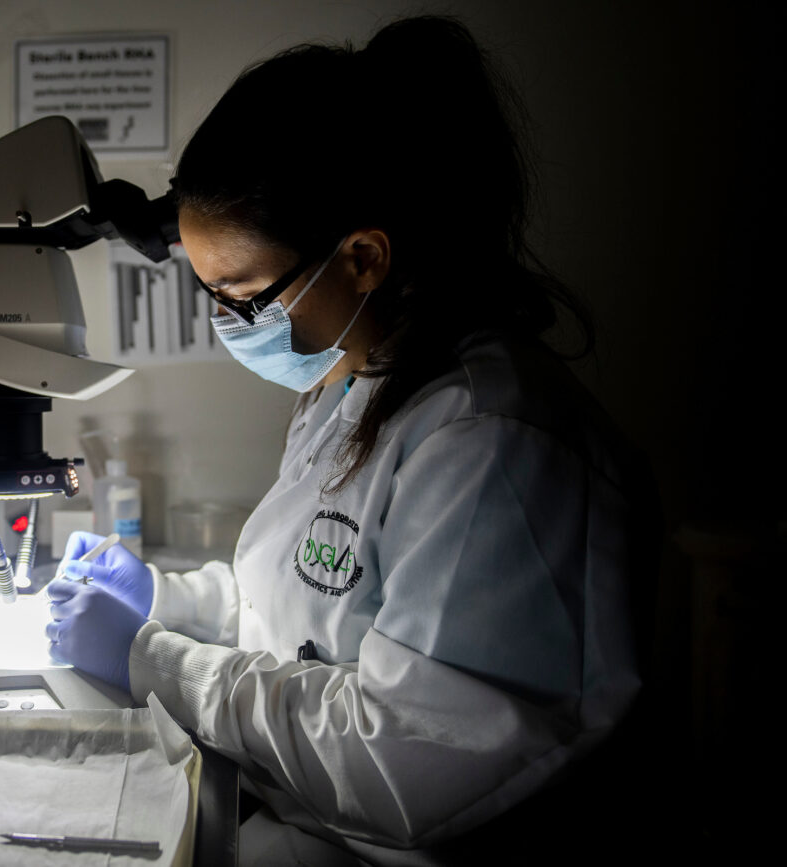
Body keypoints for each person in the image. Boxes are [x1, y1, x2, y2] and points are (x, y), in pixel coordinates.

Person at [46, 16, 658, 866]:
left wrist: (155, 657)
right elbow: (306, 623)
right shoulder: (353, 385)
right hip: (309, 821)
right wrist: (164, 600)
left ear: (364, 256)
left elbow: (405, 754)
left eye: (243, 294)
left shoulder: (490, 444)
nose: (227, 322)